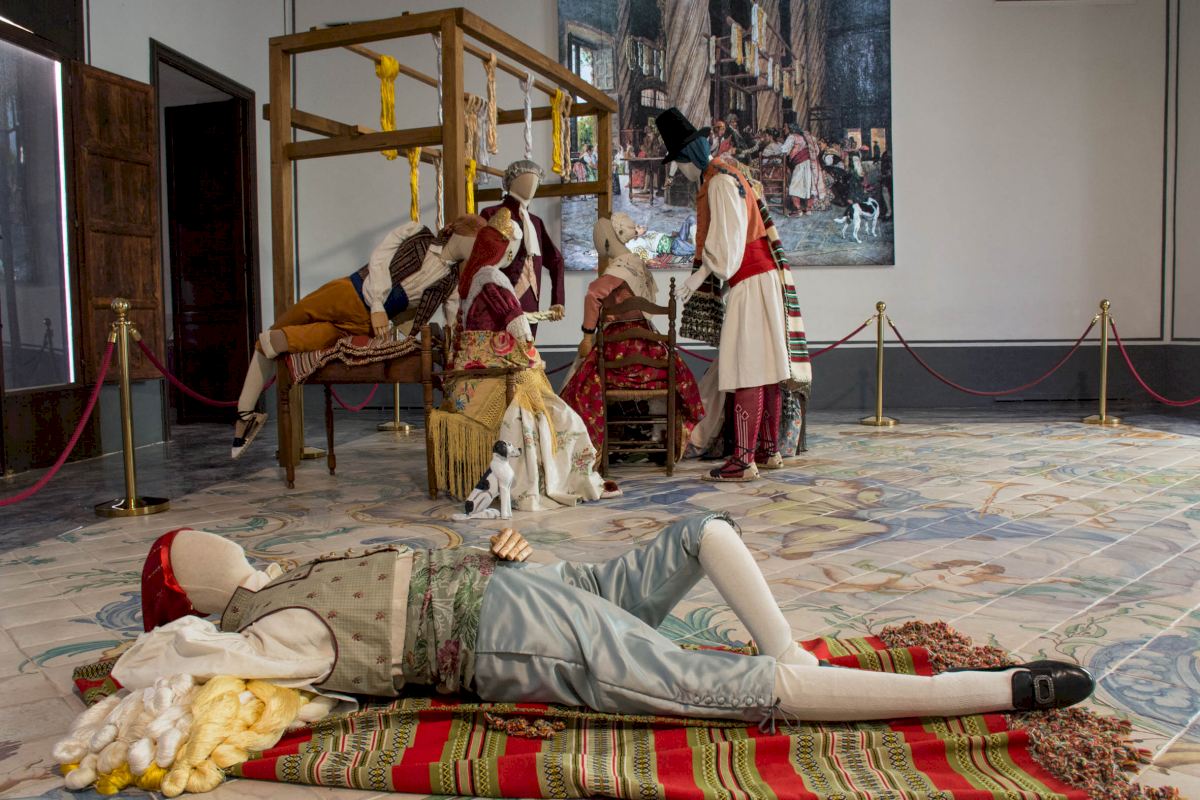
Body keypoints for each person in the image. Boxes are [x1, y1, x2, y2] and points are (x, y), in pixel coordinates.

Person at [116, 513, 1095, 724]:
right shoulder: (255, 636)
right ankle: (995, 690)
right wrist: (181, 642)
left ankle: (791, 649)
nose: (205, 540)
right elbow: (152, 668)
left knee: (704, 532)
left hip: (534, 588)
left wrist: (499, 545)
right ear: (186, 594)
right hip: (514, 639)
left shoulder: (291, 569)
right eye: (185, 552)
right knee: (731, 691)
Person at [230, 215, 485, 458]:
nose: (479, 251)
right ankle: (245, 415)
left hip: (361, 326)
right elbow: (380, 257)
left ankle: (246, 417)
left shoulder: (452, 282)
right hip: (349, 294)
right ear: (464, 235)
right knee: (272, 334)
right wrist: (377, 305)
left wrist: (461, 350)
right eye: (478, 243)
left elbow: (454, 319)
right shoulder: (416, 233)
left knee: (275, 341)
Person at [437, 210, 611, 511]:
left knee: (547, 406)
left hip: (478, 366)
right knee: (553, 413)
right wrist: (529, 346)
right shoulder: (491, 277)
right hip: (495, 370)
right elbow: (514, 320)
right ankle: (550, 478)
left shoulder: (474, 277)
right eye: (511, 251)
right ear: (502, 251)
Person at [658, 107, 787, 482]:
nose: (677, 170)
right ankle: (767, 450)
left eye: (677, 162)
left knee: (746, 366)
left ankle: (743, 461)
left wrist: (698, 277)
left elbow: (727, 250)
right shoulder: (731, 174)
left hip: (750, 279)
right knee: (766, 366)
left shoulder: (718, 183)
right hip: (761, 277)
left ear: (687, 158)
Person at [560, 213, 703, 453]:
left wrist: (587, 334)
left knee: (580, 382)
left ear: (607, 241)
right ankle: (658, 440)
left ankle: (586, 447)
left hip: (622, 351)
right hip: (649, 343)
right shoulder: (637, 263)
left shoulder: (618, 269)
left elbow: (593, 294)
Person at [480, 160, 565, 338]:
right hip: (499, 297)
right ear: (512, 181)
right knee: (498, 347)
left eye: (536, 180)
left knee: (527, 347)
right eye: (526, 178)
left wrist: (558, 300)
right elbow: (480, 262)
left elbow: (556, 260)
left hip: (530, 299)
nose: (532, 184)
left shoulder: (535, 222)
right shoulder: (491, 214)